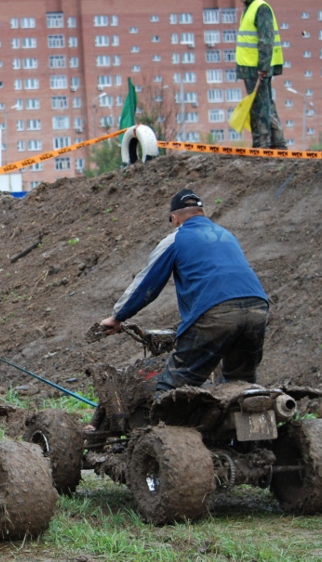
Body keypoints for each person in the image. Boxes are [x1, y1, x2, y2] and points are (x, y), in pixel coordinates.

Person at [100, 189, 269, 391]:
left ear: (175, 219)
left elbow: (148, 284)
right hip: (257, 308)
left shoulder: (176, 238)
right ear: (202, 213)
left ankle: (165, 420)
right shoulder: (226, 235)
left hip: (215, 310)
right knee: (240, 385)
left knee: (173, 387)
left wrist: (118, 316)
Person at [236, 0, 287, 150]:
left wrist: (263, 66)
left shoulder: (260, 8)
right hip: (249, 67)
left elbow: (266, 38)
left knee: (259, 107)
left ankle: (262, 145)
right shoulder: (250, 8)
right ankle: (278, 144)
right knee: (265, 104)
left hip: (256, 68)